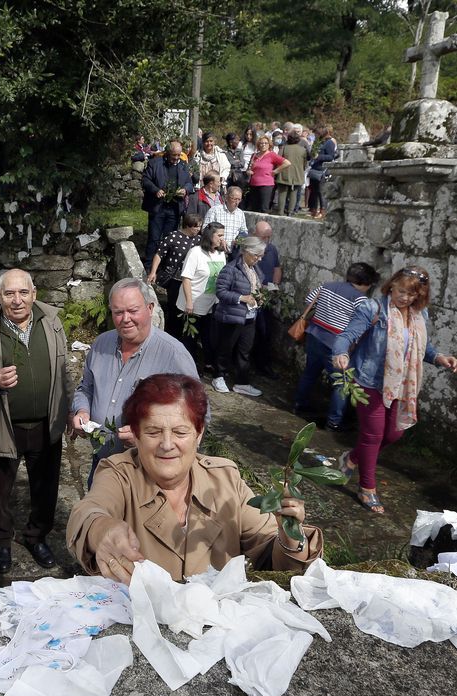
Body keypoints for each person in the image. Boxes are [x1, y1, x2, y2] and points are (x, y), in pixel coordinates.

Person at [66, 373, 322, 584]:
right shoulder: (120, 473)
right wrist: (102, 530)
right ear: (136, 434)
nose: (167, 445)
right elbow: (89, 510)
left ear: (198, 434)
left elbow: (274, 559)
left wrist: (289, 533)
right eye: (153, 432)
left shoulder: (225, 479)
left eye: (180, 432)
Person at [331, 267, 457, 514]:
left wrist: (440, 358)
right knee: (372, 435)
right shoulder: (373, 309)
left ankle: (351, 458)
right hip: (369, 381)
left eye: (412, 295)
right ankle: (367, 488)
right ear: (392, 285)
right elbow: (346, 335)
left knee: (394, 435)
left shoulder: (418, 315)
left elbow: (422, 347)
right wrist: (340, 353)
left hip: (401, 384)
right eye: (402, 291)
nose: (405, 298)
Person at [0, 270, 70, 574]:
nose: (17, 300)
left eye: (23, 292)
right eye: (9, 294)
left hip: (45, 424)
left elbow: (64, 372)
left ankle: (37, 537)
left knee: (45, 488)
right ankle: (1, 543)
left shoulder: (50, 321)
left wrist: (70, 409)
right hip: (2, 425)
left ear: (34, 294)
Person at [70, 279, 200, 486]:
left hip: (147, 473)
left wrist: (148, 437)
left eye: (132, 310)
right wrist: (82, 411)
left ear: (150, 308)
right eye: (118, 312)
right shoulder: (101, 344)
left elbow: (198, 417)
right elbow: (86, 388)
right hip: (102, 464)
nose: (125, 319)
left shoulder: (173, 354)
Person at [293, 262, 381, 433]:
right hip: (335, 344)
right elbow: (368, 321)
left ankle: (299, 404)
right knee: (341, 384)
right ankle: (334, 422)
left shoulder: (327, 285)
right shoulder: (361, 299)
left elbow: (309, 300)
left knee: (310, 373)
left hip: (314, 335)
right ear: (365, 283)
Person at [211, 237, 267, 397]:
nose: (259, 258)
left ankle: (242, 382)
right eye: (257, 255)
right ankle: (218, 376)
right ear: (247, 252)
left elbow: (256, 288)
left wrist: (261, 296)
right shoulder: (231, 269)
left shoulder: (255, 269)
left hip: (249, 317)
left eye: (261, 255)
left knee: (245, 350)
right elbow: (221, 291)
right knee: (226, 348)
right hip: (232, 316)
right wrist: (241, 298)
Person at [178, 222, 228, 364]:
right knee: (190, 338)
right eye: (219, 235)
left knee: (209, 336)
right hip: (193, 304)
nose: (222, 238)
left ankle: (207, 363)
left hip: (211, 304)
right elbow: (186, 278)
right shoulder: (196, 252)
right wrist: (189, 302)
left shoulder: (220, 254)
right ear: (209, 235)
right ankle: (188, 367)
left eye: (223, 235)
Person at [146, 213, 202, 340]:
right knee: (174, 308)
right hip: (175, 280)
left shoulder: (199, 240)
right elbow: (159, 254)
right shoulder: (174, 237)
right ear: (188, 225)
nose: (198, 229)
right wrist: (153, 272)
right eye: (196, 227)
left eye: (200, 227)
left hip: (192, 280)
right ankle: (172, 335)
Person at [140, 139, 193, 271]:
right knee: (154, 238)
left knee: (170, 239)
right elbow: (145, 180)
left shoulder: (183, 165)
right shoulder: (155, 163)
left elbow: (189, 183)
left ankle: (164, 268)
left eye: (179, 155)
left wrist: (185, 190)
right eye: (174, 155)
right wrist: (156, 190)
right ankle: (148, 268)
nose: (176, 158)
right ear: (167, 153)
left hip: (174, 208)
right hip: (158, 207)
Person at [247, 220, 284, 377]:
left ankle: (262, 364)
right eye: (264, 237)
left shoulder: (272, 249)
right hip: (251, 297)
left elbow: (277, 268)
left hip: (267, 296)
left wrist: (274, 286)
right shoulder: (249, 249)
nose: (267, 241)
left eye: (269, 237)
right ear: (255, 234)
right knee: (249, 333)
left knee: (265, 332)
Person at [243, 134, 287, 213]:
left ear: (269, 144)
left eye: (265, 143)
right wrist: (249, 172)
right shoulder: (254, 155)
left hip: (266, 185)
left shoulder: (272, 155)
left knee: (264, 208)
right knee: (254, 208)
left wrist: (275, 171)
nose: (263, 145)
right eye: (261, 143)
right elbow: (249, 168)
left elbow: (287, 163)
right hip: (253, 184)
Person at [274, 131, 309, 216]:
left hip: (283, 173)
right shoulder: (303, 150)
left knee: (282, 193)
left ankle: (280, 212)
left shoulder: (283, 148)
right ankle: (290, 212)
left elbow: (278, 160)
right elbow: (305, 164)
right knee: (294, 193)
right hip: (297, 174)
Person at [203, 186, 247, 251]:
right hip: (216, 250)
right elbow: (205, 229)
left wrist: (239, 240)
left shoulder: (241, 214)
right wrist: (219, 240)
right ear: (226, 197)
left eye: (239, 199)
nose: (237, 202)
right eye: (234, 199)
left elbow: (244, 231)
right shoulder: (215, 210)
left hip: (233, 253)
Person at [307, 125, 337, 219]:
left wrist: (318, 157)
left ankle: (322, 210)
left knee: (321, 191)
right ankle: (313, 210)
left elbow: (331, 156)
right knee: (313, 190)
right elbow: (312, 152)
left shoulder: (329, 143)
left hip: (322, 170)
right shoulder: (318, 141)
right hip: (315, 168)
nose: (316, 134)